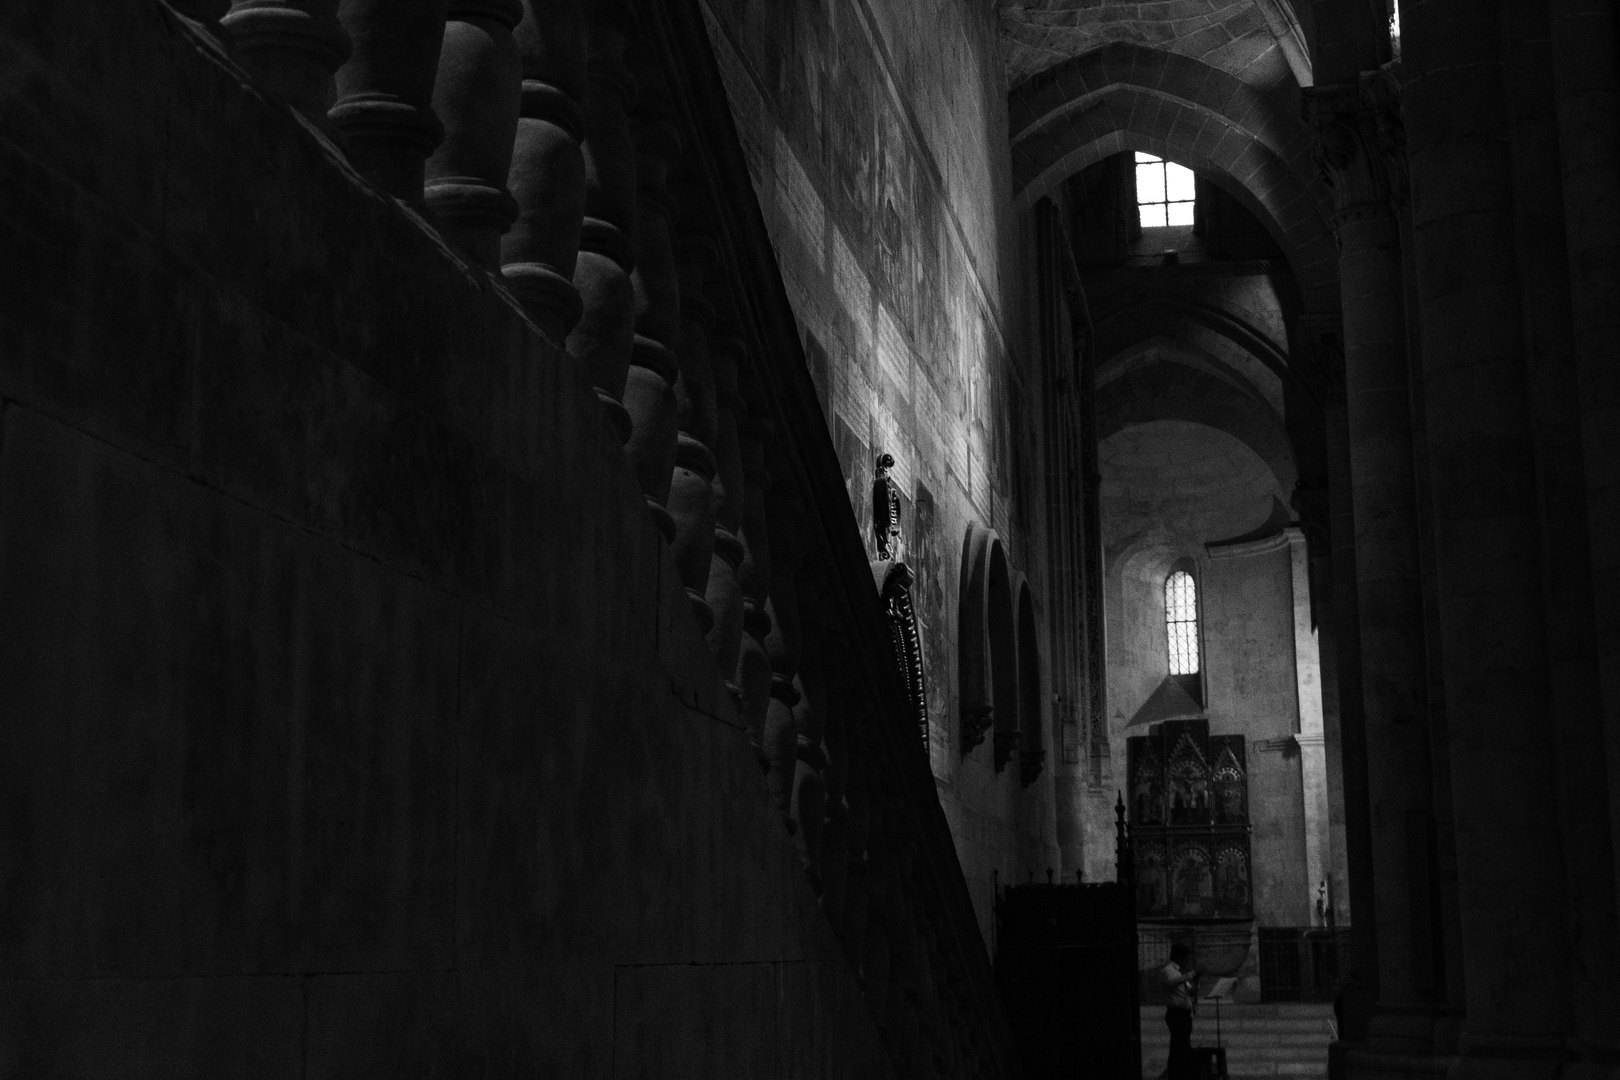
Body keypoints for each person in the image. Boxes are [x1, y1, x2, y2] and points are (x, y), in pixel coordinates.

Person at [1162, 942, 1198, 1080]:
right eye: (1187, 958)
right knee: (1177, 1045)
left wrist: (1196, 978)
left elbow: (1191, 991)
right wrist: (1191, 974)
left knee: (1183, 1045)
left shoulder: (1179, 972)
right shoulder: (1167, 970)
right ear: (1180, 958)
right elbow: (1171, 983)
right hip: (1175, 1014)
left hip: (1184, 1014)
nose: (1189, 961)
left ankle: (1182, 1073)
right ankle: (1175, 1074)